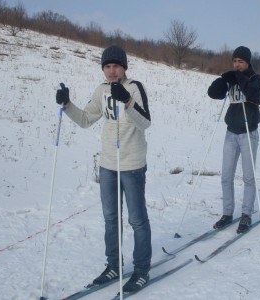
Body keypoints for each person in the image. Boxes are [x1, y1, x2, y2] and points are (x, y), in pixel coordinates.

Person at [55, 45, 152, 293]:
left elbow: (145, 122)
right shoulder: (101, 90)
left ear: (124, 68)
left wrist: (127, 101)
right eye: (107, 66)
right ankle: (114, 266)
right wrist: (67, 105)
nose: (111, 71)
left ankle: (141, 271)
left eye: (116, 66)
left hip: (131, 166)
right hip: (108, 165)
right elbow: (87, 119)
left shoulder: (134, 88)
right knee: (111, 219)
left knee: (137, 220)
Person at [207, 46, 260, 233]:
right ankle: (227, 213)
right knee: (226, 176)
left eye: (240, 61)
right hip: (231, 133)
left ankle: (246, 214)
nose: (237, 64)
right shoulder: (232, 79)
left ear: (248, 62)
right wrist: (224, 79)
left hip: (248, 133)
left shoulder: (256, 79)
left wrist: (239, 77)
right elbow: (213, 93)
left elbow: (254, 95)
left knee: (248, 177)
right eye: (235, 61)